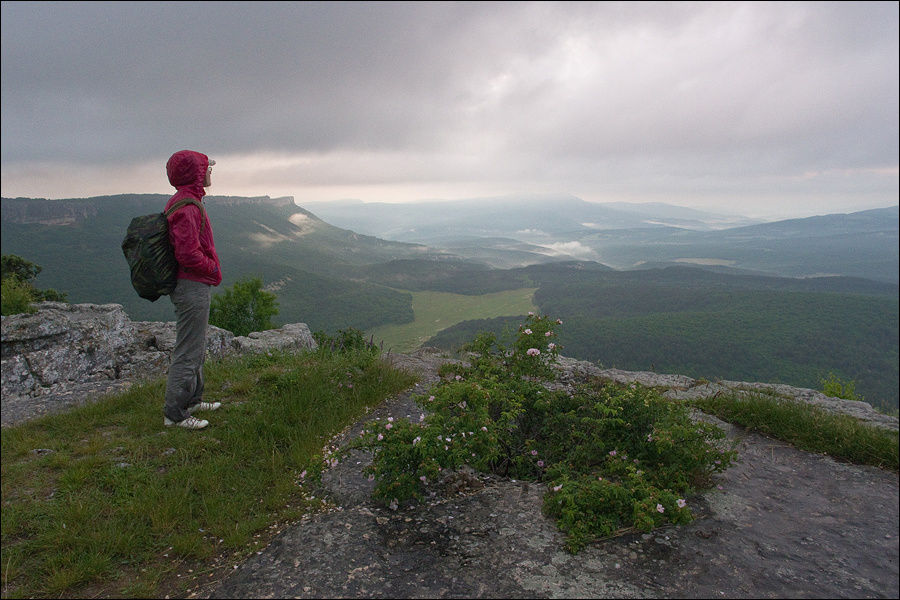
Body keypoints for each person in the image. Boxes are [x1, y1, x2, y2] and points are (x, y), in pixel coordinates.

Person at [162, 150, 223, 429]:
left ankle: (193, 399)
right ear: (195, 173)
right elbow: (187, 253)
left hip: (192, 283)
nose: (210, 172)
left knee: (196, 346)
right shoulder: (188, 206)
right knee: (188, 349)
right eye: (206, 167)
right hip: (191, 284)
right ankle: (174, 415)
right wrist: (210, 267)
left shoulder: (189, 201)